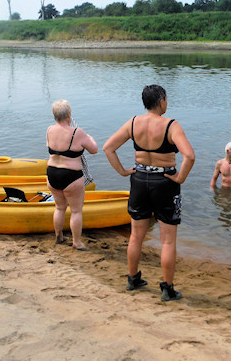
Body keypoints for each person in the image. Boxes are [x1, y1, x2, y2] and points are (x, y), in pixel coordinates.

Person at [103, 85, 195, 302]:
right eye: (166, 99)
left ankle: (133, 279)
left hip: (139, 180)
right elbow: (189, 156)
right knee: (168, 241)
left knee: (136, 235)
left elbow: (108, 147)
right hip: (165, 182)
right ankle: (167, 288)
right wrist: (181, 177)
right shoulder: (171, 125)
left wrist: (123, 172)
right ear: (161, 101)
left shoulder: (134, 123)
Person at [46, 100, 98, 251]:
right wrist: (90, 137)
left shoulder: (49, 130)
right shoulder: (78, 132)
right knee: (76, 211)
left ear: (54, 115)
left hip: (52, 173)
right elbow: (94, 149)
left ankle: (58, 236)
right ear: (69, 115)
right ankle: (77, 242)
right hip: (71, 175)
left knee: (59, 207)